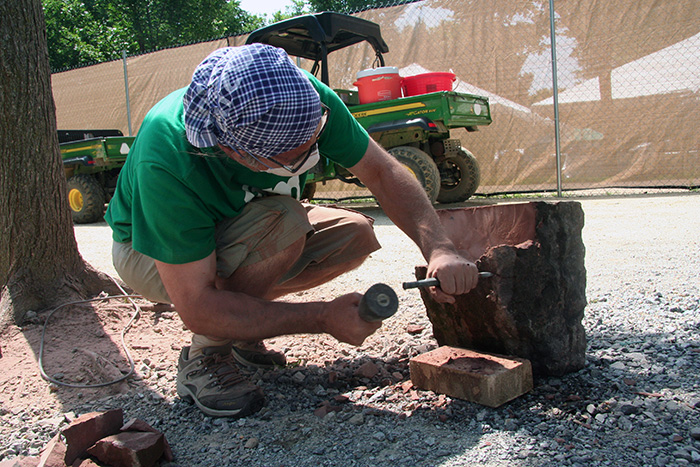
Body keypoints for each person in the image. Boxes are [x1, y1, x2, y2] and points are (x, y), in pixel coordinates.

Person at [105, 44, 479, 418]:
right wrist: (321, 317)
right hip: (145, 250)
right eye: (292, 157)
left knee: (353, 233)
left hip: (251, 222)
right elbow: (197, 305)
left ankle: (240, 324)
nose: (310, 156)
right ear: (236, 152)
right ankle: (206, 356)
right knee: (284, 224)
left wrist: (440, 248)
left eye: (313, 142)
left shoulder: (300, 100)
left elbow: (383, 171)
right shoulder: (169, 155)